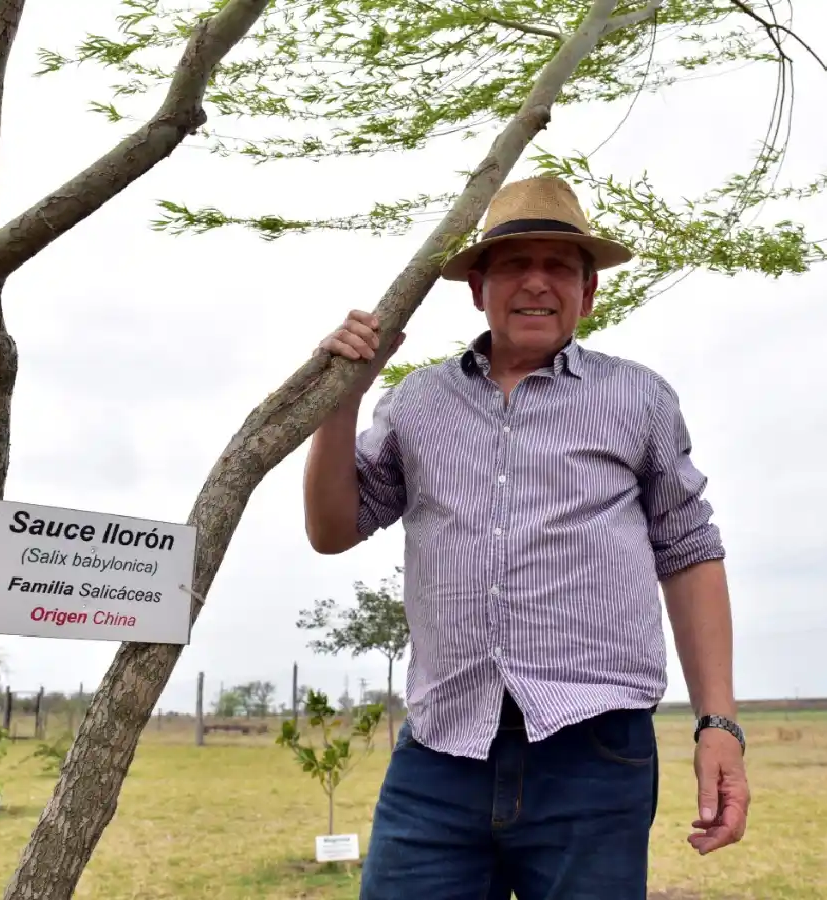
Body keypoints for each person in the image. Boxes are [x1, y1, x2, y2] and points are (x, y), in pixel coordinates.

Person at [303, 175, 750, 900]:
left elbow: (690, 550)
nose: (536, 282)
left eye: (560, 266)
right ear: (477, 288)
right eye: (514, 263)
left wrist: (719, 723)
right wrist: (341, 400)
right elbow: (332, 528)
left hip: (594, 751)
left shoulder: (637, 397)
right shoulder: (417, 402)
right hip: (441, 749)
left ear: (589, 292)